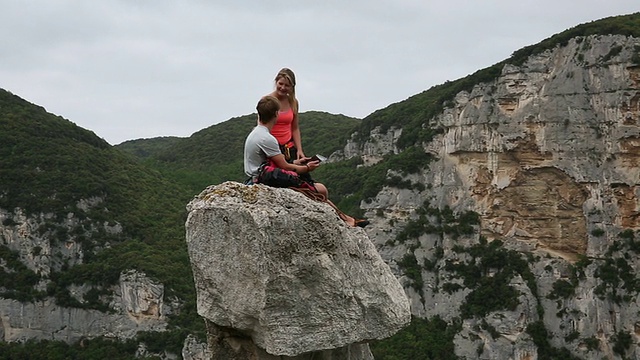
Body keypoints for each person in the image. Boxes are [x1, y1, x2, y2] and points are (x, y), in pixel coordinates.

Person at [244, 95, 368, 228]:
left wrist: (298, 163)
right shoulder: (267, 138)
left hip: (260, 176)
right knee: (321, 190)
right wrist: (308, 167)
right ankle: (346, 220)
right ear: (276, 114)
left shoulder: (256, 133)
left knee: (319, 190)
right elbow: (285, 166)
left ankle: (347, 219)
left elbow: (276, 162)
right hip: (264, 180)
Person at [267, 68, 305, 162]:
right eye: (280, 84)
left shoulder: (293, 102)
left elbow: (295, 128)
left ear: (292, 87)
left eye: (287, 85)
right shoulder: (267, 101)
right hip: (271, 148)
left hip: (288, 147)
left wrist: (299, 149)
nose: (283, 88)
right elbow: (261, 128)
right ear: (276, 82)